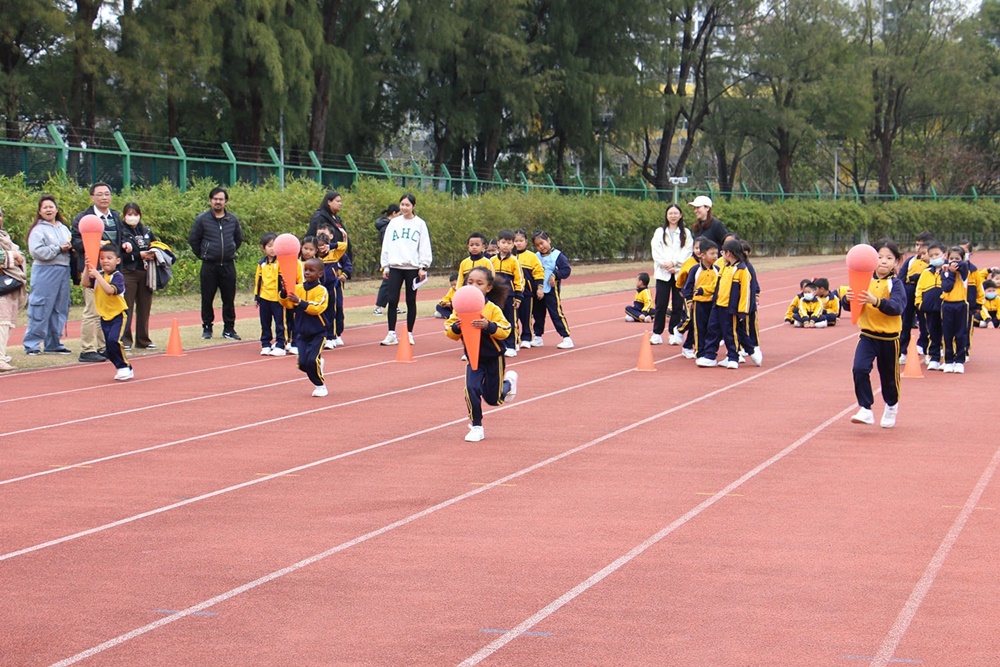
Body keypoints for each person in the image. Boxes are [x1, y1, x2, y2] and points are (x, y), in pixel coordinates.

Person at [444, 267, 517, 442]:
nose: (474, 286)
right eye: (470, 283)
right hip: (474, 359)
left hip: (494, 358)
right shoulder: (460, 309)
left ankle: (508, 383)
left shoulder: (492, 308)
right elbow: (450, 331)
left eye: (479, 283)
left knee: (493, 399)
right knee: (471, 388)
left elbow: (506, 330)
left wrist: (489, 326)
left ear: (488, 288)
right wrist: (456, 327)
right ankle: (477, 426)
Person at [842, 239, 905, 428]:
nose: (883, 261)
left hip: (889, 338)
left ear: (896, 262)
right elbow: (851, 307)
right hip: (868, 336)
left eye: (889, 258)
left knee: (888, 378)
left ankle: (891, 405)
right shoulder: (864, 280)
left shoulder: (895, 284)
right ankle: (865, 408)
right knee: (859, 369)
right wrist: (847, 299)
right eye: (879, 257)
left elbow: (897, 307)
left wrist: (876, 301)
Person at [71, 182, 123, 362]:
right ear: (92, 197)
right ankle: (87, 349)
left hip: (111, 271)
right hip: (92, 269)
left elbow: (120, 240)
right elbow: (75, 242)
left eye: (107, 194)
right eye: (99, 194)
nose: (104, 197)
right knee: (92, 311)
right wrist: (93, 244)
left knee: (107, 310)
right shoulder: (83, 218)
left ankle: (104, 347)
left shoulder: (116, 216)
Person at [189, 187, 243, 340]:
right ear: (210, 201)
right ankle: (207, 328)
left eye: (221, 199)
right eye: (215, 199)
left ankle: (229, 329)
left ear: (226, 201)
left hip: (228, 265)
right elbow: (194, 240)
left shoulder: (232, 220)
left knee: (229, 299)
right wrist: (204, 254)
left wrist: (230, 250)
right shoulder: (202, 219)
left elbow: (238, 238)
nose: (218, 202)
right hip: (209, 266)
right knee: (207, 298)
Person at [379, 193, 432, 346]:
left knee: (410, 300)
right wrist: (385, 265)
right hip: (395, 266)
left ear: (413, 206)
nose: (404, 207)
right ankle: (391, 333)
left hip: (412, 268)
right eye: (402, 204)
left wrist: (423, 266)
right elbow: (387, 245)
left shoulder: (420, 224)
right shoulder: (394, 223)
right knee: (392, 300)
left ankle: (409, 333)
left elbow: (424, 245)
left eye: (407, 205)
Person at [23, 195, 73, 356]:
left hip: (63, 270)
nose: (48, 210)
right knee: (41, 306)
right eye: (45, 207)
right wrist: (58, 249)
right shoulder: (38, 230)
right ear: (39, 211)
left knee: (60, 307)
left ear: (57, 209)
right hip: (45, 271)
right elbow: (36, 252)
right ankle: (32, 344)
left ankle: (53, 343)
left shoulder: (63, 228)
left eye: (51, 206)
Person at [696, 238, 751, 369]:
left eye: (722, 252)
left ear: (729, 253)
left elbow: (745, 292)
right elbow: (715, 284)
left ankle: (733, 358)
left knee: (730, 333)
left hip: (730, 308)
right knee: (712, 330)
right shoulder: (724, 268)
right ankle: (710, 356)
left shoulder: (742, 270)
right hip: (718, 305)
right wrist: (703, 290)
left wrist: (742, 311)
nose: (721, 255)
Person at [81, 245, 133, 381]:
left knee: (114, 340)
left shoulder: (117, 276)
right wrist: (87, 267)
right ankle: (120, 367)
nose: (105, 261)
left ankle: (125, 367)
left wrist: (97, 276)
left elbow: (110, 290)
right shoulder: (99, 275)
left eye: (109, 258)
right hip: (104, 315)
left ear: (117, 261)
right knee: (108, 347)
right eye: (102, 258)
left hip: (119, 315)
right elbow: (85, 283)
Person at [281, 258, 330, 397]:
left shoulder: (322, 291)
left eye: (311, 270)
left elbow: (317, 308)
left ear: (320, 274)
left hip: (318, 333)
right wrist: (284, 292)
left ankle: (320, 386)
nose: (307, 273)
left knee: (311, 360)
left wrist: (300, 301)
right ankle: (317, 366)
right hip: (301, 333)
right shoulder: (298, 288)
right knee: (303, 364)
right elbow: (287, 304)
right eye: (306, 270)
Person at [308, 192, 352, 346]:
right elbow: (310, 239)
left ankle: (335, 333)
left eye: (341, 201)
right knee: (321, 306)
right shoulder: (320, 217)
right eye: (337, 201)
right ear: (328, 202)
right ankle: (323, 335)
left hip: (335, 274)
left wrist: (346, 272)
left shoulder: (336, 219)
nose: (340, 203)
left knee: (336, 306)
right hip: (321, 278)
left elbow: (343, 245)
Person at [650, 203, 693, 345]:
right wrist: (665, 264)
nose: (673, 216)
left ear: (680, 215)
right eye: (670, 213)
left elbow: (688, 251)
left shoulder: (686, 233)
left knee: (677, 305)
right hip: (663, 273)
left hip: (679, 273)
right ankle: (657, 333)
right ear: (666, 215)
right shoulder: (659, 232)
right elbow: (656, 250)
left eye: (675, 213)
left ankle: (674, 332)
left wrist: (675, 263)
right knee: (661, 304)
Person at [118, 202, 157, 350]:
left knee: (144, 307)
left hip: (145, 272)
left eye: (135, 214)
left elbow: (155, 245)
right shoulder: (120, 231)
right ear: (124, 216)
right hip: (128, 271)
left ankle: (143, 339)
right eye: (129, 214)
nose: (133, 217)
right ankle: (125, 339)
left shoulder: (146, 230)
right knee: (126, 307)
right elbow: (118, 254)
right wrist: (137, 255)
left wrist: (155, 253)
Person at [531, 230, 573, 349]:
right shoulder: (535, 256)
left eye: (542, 243)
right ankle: (538, 337)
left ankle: (566, 337)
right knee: (538, 314)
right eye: (537, 245)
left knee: (556, 313)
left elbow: (566, 270)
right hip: (538, 290)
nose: (541, 247)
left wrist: (555, 274)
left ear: (548, 240)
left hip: (551, 291)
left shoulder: (558, 255)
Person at [680, 238, 719, 360]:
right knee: (699, 329)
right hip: (699, 304)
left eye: (716, 253)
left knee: (711, 328)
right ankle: (700, 352)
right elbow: (688, 287)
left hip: (713, 303)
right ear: (702, 255)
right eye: (712, 253)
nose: (715, 256)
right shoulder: (695, 270)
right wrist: (689, 301)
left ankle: (709, 351)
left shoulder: (717, 270)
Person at [0, 205, 28, 371]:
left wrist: (16, 256)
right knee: (1, 321)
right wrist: (12, 256)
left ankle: (2, 354)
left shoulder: (4, 237)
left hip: (8, 286)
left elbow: (20, 256)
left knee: (6, 322)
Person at [899, 231, 933, 360]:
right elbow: (901, 277)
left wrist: (918, 277)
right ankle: (902, 350)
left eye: (922, 245)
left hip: (924, 293)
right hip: (909, 291)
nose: (918, 248)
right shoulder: (911, 260)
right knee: (905, 322)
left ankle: (927, 348)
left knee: (925, 322)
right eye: (917, 244)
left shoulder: (932, 262)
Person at [491, 230, 524, 356]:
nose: (506, 245)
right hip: (496, 296)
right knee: (497, 320)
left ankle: (512, 345)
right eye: (503, 242)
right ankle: (499, 344)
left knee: (511, 321)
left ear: (513, 245)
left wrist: (518, 297)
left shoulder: (514, 261)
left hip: (510, 296)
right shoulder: (492, 260)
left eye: (509, 243)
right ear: (498, 243)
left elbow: (519, 280)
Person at [254, 233, 287, 356]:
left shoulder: (281, 262)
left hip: (278, 299)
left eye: (275, 246)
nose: (273, 249)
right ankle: (265, 344)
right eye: (269, 246)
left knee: (280, 323)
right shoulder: (261, 264)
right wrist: (257, 296)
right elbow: (258, 280)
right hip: (264, 297)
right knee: (265, 323)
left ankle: (281, 344)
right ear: (264, 248)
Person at [915, 241, 946, 370]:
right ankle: (934, 357)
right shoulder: (926, 272)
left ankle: (948, 358)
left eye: (937, 254)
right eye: (931, 255)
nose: (934, 257)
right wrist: (919, 303)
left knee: (947, 333)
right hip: (930, 309)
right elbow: (919, 288)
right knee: (932, 333)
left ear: (944, 255)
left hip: (945, 308)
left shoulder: (948, 271)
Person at [939, 245, 970, 373]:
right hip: (947, 305)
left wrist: (954, 267)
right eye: (951, 258)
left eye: (957, 259)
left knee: (960, 334)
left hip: (961, 305)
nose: (954, 261)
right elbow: (947, 287)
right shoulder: (945, 272)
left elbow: (964, 267)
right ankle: (948, 360)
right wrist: (950, 272)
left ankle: (959, 361)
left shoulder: (964, 272)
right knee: (947, 334)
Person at [512, 229, 544, 350]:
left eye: (521, 241)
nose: (518, 243)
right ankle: (514, 340)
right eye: (515, 241)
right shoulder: (509, 257)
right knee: (512, 317)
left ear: (526, 242)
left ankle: (526, 338)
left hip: (527, 293)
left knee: (526, 316)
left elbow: (539, 273)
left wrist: (539, 288)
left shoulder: (531, 257)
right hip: (512, 292)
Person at [373, 203, 401, 315]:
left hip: (396, 258)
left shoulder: (392, 225)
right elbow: (388, 245)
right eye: (399, 214)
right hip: (390, 259)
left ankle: (394, 305)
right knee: (387, 282)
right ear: (394, 213)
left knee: (395, 283)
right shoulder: (387, 227)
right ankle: (378, 307)